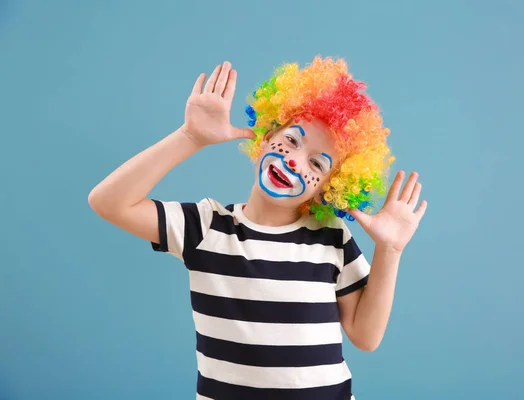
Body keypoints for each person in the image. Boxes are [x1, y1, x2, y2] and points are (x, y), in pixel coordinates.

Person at [88, 56, 427, 400]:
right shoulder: (205, 228)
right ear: (265, 136)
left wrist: (390, 250)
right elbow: (109, 202)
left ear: (328, 187)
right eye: (292, 140)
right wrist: (190, 137)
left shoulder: (332, 238)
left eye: (316, 164)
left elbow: (365, 337)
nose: (294, 160)